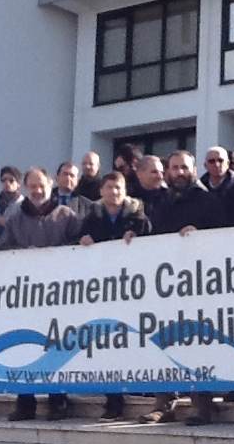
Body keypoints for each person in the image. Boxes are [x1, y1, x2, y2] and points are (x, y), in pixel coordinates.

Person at [140, 150, 224, 425]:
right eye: (174, 168)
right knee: (163, 340)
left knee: (197, 341)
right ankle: (164, 402)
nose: (178, 172)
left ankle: (203, 404)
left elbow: (222, 235)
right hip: (166, 284)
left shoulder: (207, 200)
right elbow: (151, 234)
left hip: (198, 284)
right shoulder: (160, 201)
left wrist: (200, 236)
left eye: (184, 167)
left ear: (193, 169)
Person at [0, 167, 84, 422]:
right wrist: (26, 254)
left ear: (50, 185)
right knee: (25, 347)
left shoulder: (67, 215)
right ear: (26, 188)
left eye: (41, 186)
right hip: (27, 295)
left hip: (59, 294)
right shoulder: (15, 219)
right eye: (32, 186)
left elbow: (79, 247)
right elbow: (3, 248)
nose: (37, 191)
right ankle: (25, 401)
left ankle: (58, 400)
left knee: (57, 345)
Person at [79, 172, 152, 422]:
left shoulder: (137, 213)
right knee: (108, 343)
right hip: (104, 290)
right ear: (102, 191)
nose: (114, 192)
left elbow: (152, 238)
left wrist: (137, 237)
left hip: (133, 288)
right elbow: (79, 240)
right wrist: (83, 240)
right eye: (109, 188)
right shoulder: (92, 216)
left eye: (118, 188)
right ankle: (113, 400)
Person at [129, 155, 167, 227]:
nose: (160, 176)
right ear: (139, 174)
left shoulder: (169, 197)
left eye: (162, 173)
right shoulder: (128, 198)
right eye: (154, 172)